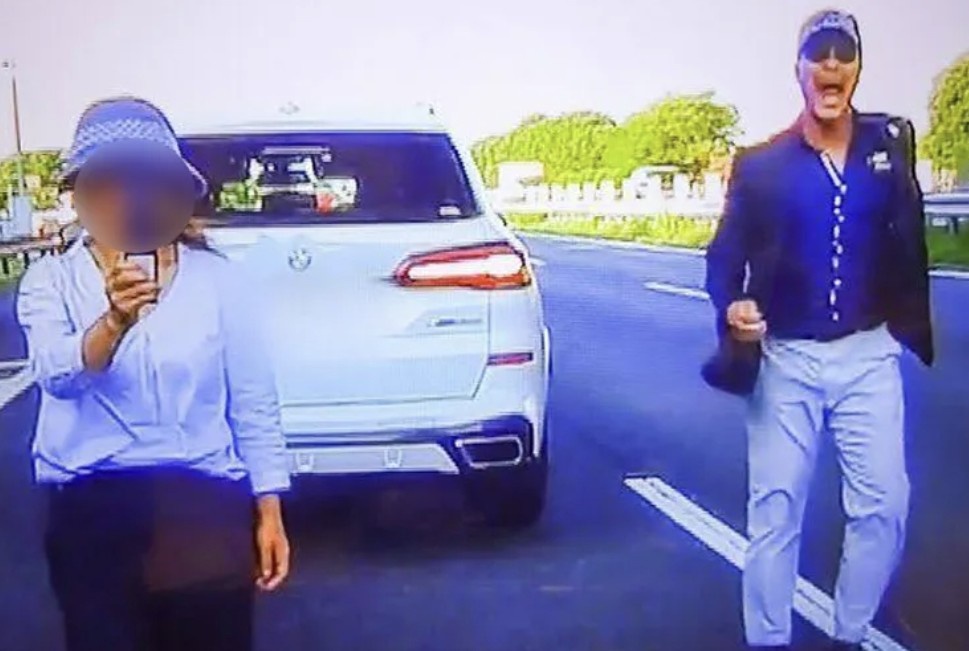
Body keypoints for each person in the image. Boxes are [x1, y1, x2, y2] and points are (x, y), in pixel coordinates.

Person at [16, 96, 292, 651]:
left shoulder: (218, 279)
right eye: (108, 182)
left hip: (203, 501)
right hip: (92, 504)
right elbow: (56, 376)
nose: (128, 198)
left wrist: (269, 508)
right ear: (80, 193)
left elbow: (253, 399)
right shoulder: (51, 281)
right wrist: (113, 322)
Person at [703, 9, 933, 651]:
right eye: (819, 53)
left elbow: (909, 233)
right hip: (786, 359)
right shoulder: (762, 165)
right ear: (799, 69)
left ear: (857, 67)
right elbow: (724, 257)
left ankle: (850, 631)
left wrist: (907, 317)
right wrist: (732, 305)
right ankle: (768, 639)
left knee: (884, 506)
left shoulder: (889, 147)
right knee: (775, 508)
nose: (831, 64)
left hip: (869, 354)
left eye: (843, 53)